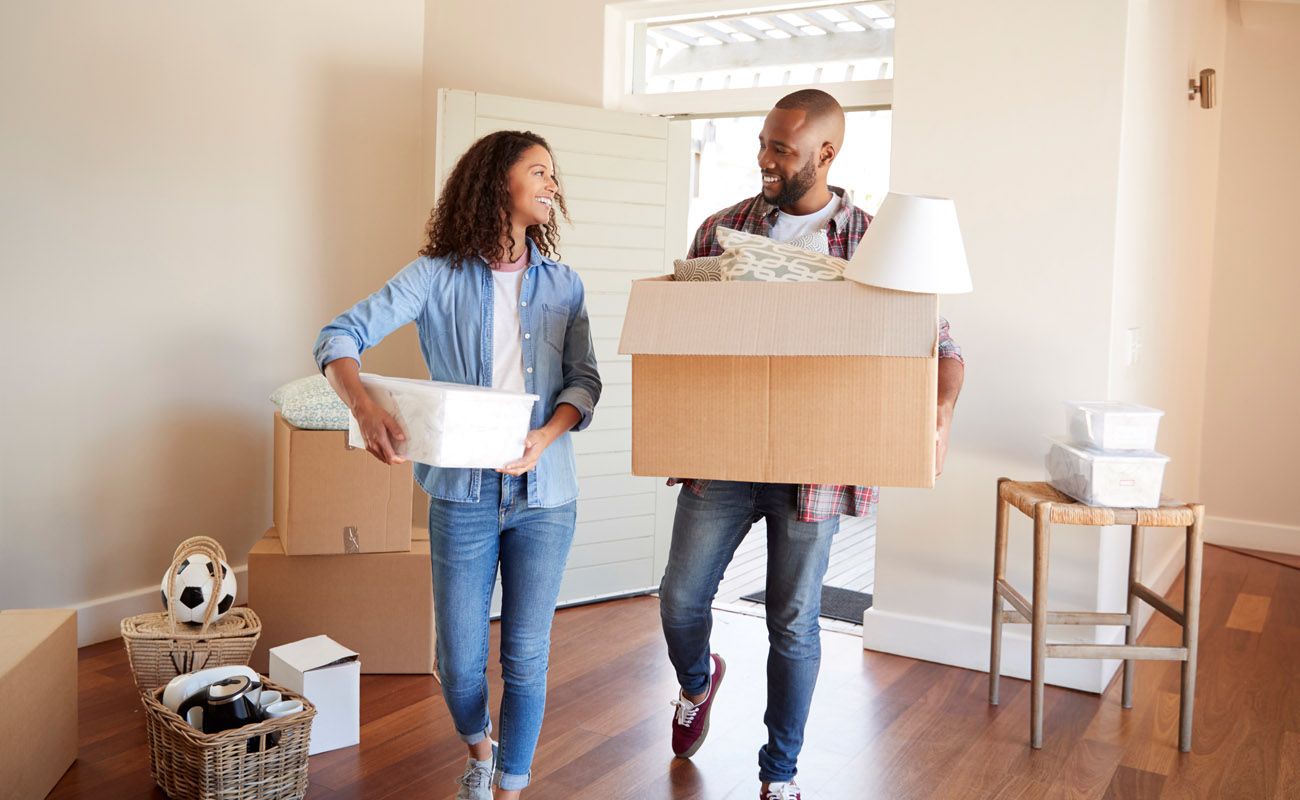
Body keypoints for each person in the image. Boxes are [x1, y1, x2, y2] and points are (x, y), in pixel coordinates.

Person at [658, 89, 965, 800]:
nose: (765, 160)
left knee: (793, 622)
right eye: (764, 143)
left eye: (782, 149)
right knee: (679, 600)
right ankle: (698, 684)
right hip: (725, 454)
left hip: (817, 465)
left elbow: (940, 346)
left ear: (826, 154)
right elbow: (682, 337)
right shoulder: (721, 229)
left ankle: (780, 775)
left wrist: (939, 413)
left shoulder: (875, 241)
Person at [312, 130, 600, 800]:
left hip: (547, 497)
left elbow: (584, 382)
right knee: (459, 663)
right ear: (498, 182)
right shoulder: (434, 276)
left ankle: (509, 786)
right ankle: (480, 750)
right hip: (462, 497)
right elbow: (338, 336)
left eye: (553, 175)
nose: (553, 186)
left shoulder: (565, 286)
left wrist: (546, 437)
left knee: (526, 656)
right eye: (539, 172)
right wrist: (362, 406)